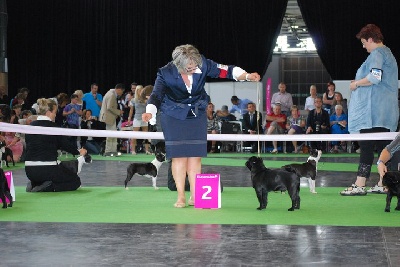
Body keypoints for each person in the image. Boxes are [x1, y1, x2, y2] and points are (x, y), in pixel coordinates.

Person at [142, 44, 260, 208]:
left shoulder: (202, 63)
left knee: (195, 156)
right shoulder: (165, 73)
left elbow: (227, 70)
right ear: (179, 65)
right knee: (179, 157)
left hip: (197, 113)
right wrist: (150, 112)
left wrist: (246, 76)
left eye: (195, 65)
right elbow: (156, 95)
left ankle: (195, 196)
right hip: (173, 114)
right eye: (189, 67)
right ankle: (181, 196)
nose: (194, 68)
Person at [341, 24, 399, 196]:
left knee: (366, 146)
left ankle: (360, 184)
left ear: (371, 39)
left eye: (364, 42)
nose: (364, 46)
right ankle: (383, 183)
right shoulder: (388, 53)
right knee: (384, 148)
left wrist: (355, 84)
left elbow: (375, 77)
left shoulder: (378, 53)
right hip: (384, 112)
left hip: (373, 112)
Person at [24, 98, 89, 192]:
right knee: (75, 181)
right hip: (48, 169)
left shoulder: (29, 127)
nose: (55, 115)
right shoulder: (53, 127)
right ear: (49, 112)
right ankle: (48, 187)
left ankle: (35, 183)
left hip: (29, 171)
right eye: (54, 112)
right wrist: (79, 152)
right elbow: (66, 145)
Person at [99, 83, 125, 157]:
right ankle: (109, 151)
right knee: (111, 135)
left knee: (113, 134)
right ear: (119, 89)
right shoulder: (112, 95)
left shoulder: (110, 93)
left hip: (109, 117)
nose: (122, 93)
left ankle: (113, 151)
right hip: (109, 117)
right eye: (122, 91)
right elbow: (109, 107)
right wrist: (118, 112)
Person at [128, 85, 151, 155]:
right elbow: (131, 110)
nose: (141, 91)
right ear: (136, 91)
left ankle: (147, 150)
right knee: (135, 135)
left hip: (145, 118)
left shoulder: (146, 99)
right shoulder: (133, 100)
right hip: (137, 118)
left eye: (142, 90)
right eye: (139, 90)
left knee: (146, 135)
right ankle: (133, 150)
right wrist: (129, 118)